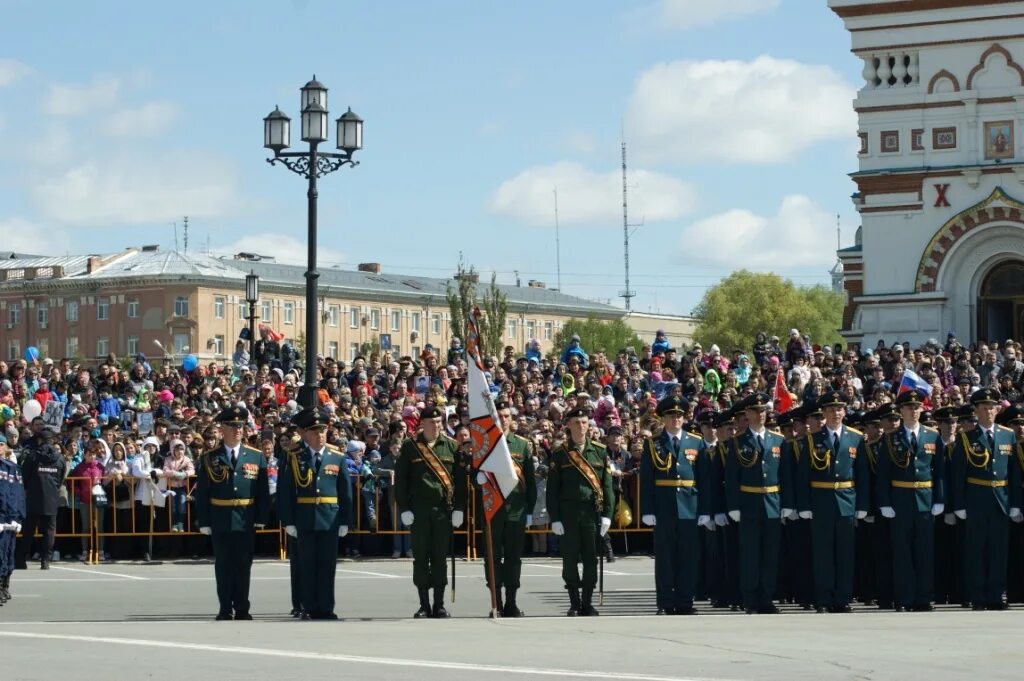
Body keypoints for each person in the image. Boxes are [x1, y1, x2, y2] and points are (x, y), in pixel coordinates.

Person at [194, 405, 269, 621]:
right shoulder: (210, 458)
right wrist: (204, 520)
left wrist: (262, 517)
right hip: (221, 516)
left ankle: (243, 607)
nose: (238, 430)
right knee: (224, 564)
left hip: (246, 518)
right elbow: (203, 493)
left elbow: (262, 491)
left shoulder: (255, 457)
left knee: (244, 564)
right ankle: (225, 607)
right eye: (233, 426)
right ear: (222, 429)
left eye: (241, 426)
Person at [797, 392, 869, 613]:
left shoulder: (856, 438)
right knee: (822, 553)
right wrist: (805, 505)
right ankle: (823, 598)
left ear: (844, 411)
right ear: (824, 414)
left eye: (839, 409)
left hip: (847, 500)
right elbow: (803, 477)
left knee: (845, 553)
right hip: (821, 501)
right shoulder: (812, 440)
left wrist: (862, 505)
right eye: (830, 410)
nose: (835, 413)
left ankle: (842, 598)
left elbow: (862, 475)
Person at [277, 407, 352, 620]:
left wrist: (346, 520)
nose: (319, 435)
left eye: (323, 431)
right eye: (314, 431)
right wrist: (288, 520)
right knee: (307, 565)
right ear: (306, 434)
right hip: (304, 517)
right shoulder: (293, 456)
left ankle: (326, 607)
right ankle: (308, 606)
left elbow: (345, 492)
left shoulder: (336, 456)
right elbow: (286, 491)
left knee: (327, 566)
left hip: (330, 518)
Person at [394, 404, 467, 618]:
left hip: (443, 510)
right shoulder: (410, 447)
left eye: (439, 422)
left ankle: (439, 603)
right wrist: (404, 508)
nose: (436, 426)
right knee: (421, 558)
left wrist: (460, 509)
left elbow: (461, 482)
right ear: (422, 424)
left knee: (439, 558)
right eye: (431, 422)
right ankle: (424, 604)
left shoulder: (452, 447)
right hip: (419, 511)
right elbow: (401, 482)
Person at [876, 390, 945, 612]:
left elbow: (940, 472)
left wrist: (939, 499)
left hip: (925, 500)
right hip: (901, 500)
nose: (913, 411)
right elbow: (884, 473)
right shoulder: (890, 437)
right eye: (908, 408)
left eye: (917, 407)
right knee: (902, 552)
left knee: (925, 551)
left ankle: (923, 598)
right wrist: (885, 502)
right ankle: (904, 598)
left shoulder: (933, 436)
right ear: (901, 411)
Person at [949, 388, 1015, 610]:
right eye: (984, 408)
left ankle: (996, 595)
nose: (989, 412)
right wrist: (959, 504)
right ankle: (977, 595)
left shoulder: (1007, 435)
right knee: (976, 551)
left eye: (992, 407)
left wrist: (1015, 503)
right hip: (976, 500)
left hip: (1001, 500)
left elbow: (1013, 473)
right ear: (976, 410)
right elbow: (958, 475)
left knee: (998, 551)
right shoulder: (966, 438)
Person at [640, 395, 706, 615]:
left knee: (688, 557)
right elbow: (647, 480)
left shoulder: (696, 442)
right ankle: (666, 603)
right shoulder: (653, 444)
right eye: (671, 415)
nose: (675, 419)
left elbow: (704, 479)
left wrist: (705, 510)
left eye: (679, 415)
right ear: (664, 418)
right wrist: (648, 509)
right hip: (664, 507)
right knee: (665, 558)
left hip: (689, 506)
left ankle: (685, 601)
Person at [547, 406, 615, 616]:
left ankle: (587, 601)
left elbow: (607, 487)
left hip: (591, 512)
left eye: (585, 422)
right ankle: (574, 602)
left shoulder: (599, 451)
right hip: (568, 513)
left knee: (591, 558)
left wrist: (607, 515)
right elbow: (553, 490)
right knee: (569, 559)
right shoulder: (560, 454)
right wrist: (555, 518)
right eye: (576, 422)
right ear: (568, 425)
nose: (581, 426)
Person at [724, 393, 785, 614]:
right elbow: (731, 478)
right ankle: (750, 599)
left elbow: (784, 476)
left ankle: (767, 598)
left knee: (770, 555)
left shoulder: (778, 440)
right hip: (748, 503)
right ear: (747, 415)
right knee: (750, 555)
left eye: (763, 411)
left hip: (773, 503)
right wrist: (733, 506)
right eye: (755, 411)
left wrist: (786, 505)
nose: (760, 415)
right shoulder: (737, 442)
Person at [479, 398, 537, 617]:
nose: (502, 420)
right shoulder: (484, 444)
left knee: (513, 558)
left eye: (506, 416)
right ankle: (497, 602)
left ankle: (511, 601)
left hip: (516, 510)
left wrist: (530, 510)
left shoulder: (522, 445)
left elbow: (530, 481)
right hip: (492, 510)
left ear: (512, 420)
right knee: (492, 558)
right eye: (499, 416)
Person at [16, 428, 65, 570]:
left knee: (28, 530)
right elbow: (61, 478)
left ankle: (22, 559)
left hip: (33, 498)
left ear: (39, 440)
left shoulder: (32, 456)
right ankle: (45, 560)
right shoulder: (60, 458)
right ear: (52, 440)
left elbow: (24, 476)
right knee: (49, 531)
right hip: (51, 499)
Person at [0, 437, 25, 603]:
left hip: (11, 516)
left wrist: (20, 516)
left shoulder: (13, 469)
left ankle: (4, 585)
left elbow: (19, 494)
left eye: (1, 444)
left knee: (9, 553)